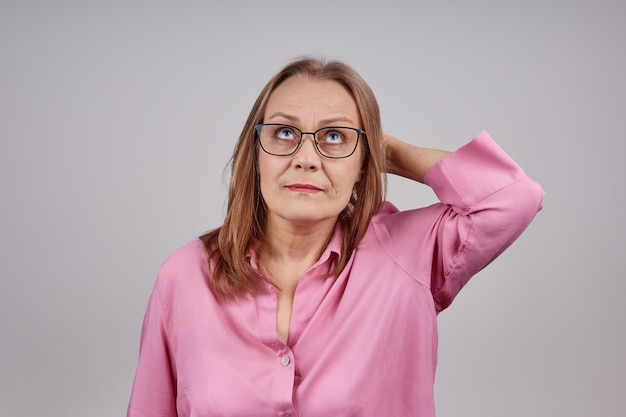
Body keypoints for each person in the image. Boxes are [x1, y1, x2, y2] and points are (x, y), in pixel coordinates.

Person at [126, 57, 543, 417]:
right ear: (255, 153)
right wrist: (348, 145)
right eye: (285, 134)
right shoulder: (183, 276)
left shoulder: (408, 254)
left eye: (335, 137)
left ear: (365, 161)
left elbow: (514, 196)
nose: (306, 159)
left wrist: (388, 152)